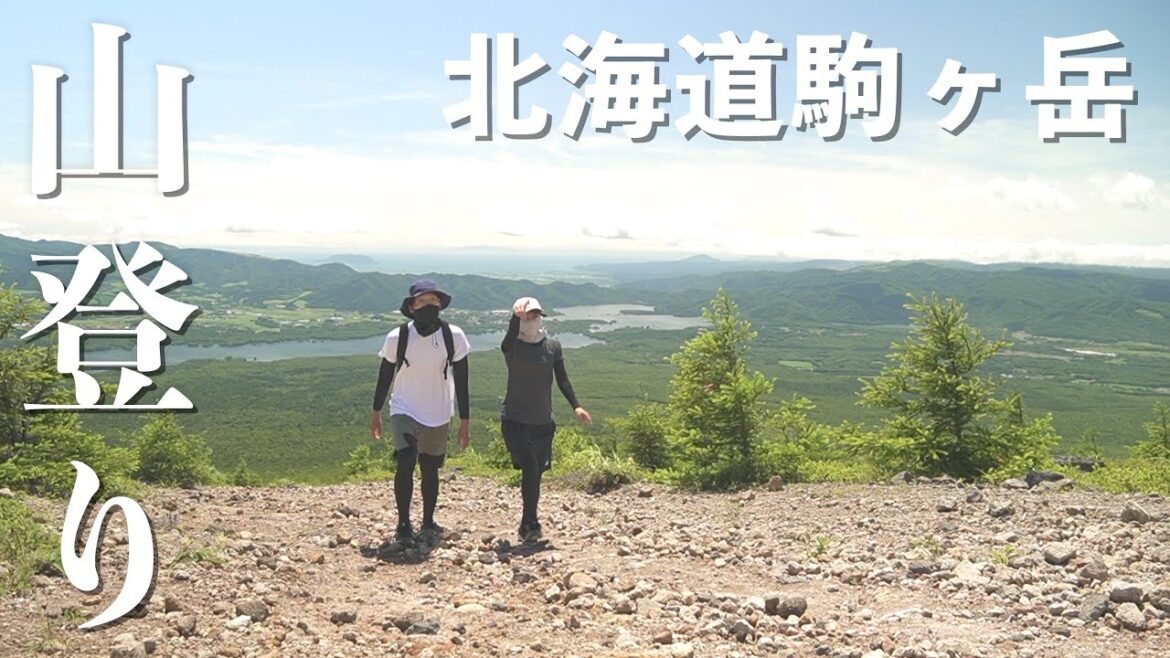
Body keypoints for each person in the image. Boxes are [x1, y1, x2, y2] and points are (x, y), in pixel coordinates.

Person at [370, 278, 471, 541]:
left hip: (438, 412)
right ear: (412, 307)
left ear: (441, 305)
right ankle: (403, 524)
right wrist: (376, 412)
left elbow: (462, 380)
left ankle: (428, 522)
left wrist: (465, 421)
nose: (429, 305)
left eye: (434, 301)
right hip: (404, 408)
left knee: (430, 467)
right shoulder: (398, 337)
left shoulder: (454, 336)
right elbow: (384, 376)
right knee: (405, 461)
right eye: (423, 301)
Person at [500, 296, 591, 542]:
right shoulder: (513, 348)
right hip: (515, 421)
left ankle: (526, 523)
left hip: (543, 423)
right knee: (529, 465)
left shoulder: (553, 346)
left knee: (536, 473)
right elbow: (507, 341)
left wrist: (577, 406)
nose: (532, 319)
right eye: (527, 315)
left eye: (535, 314)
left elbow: (562, 379)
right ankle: (532, 523)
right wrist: (514, 318)